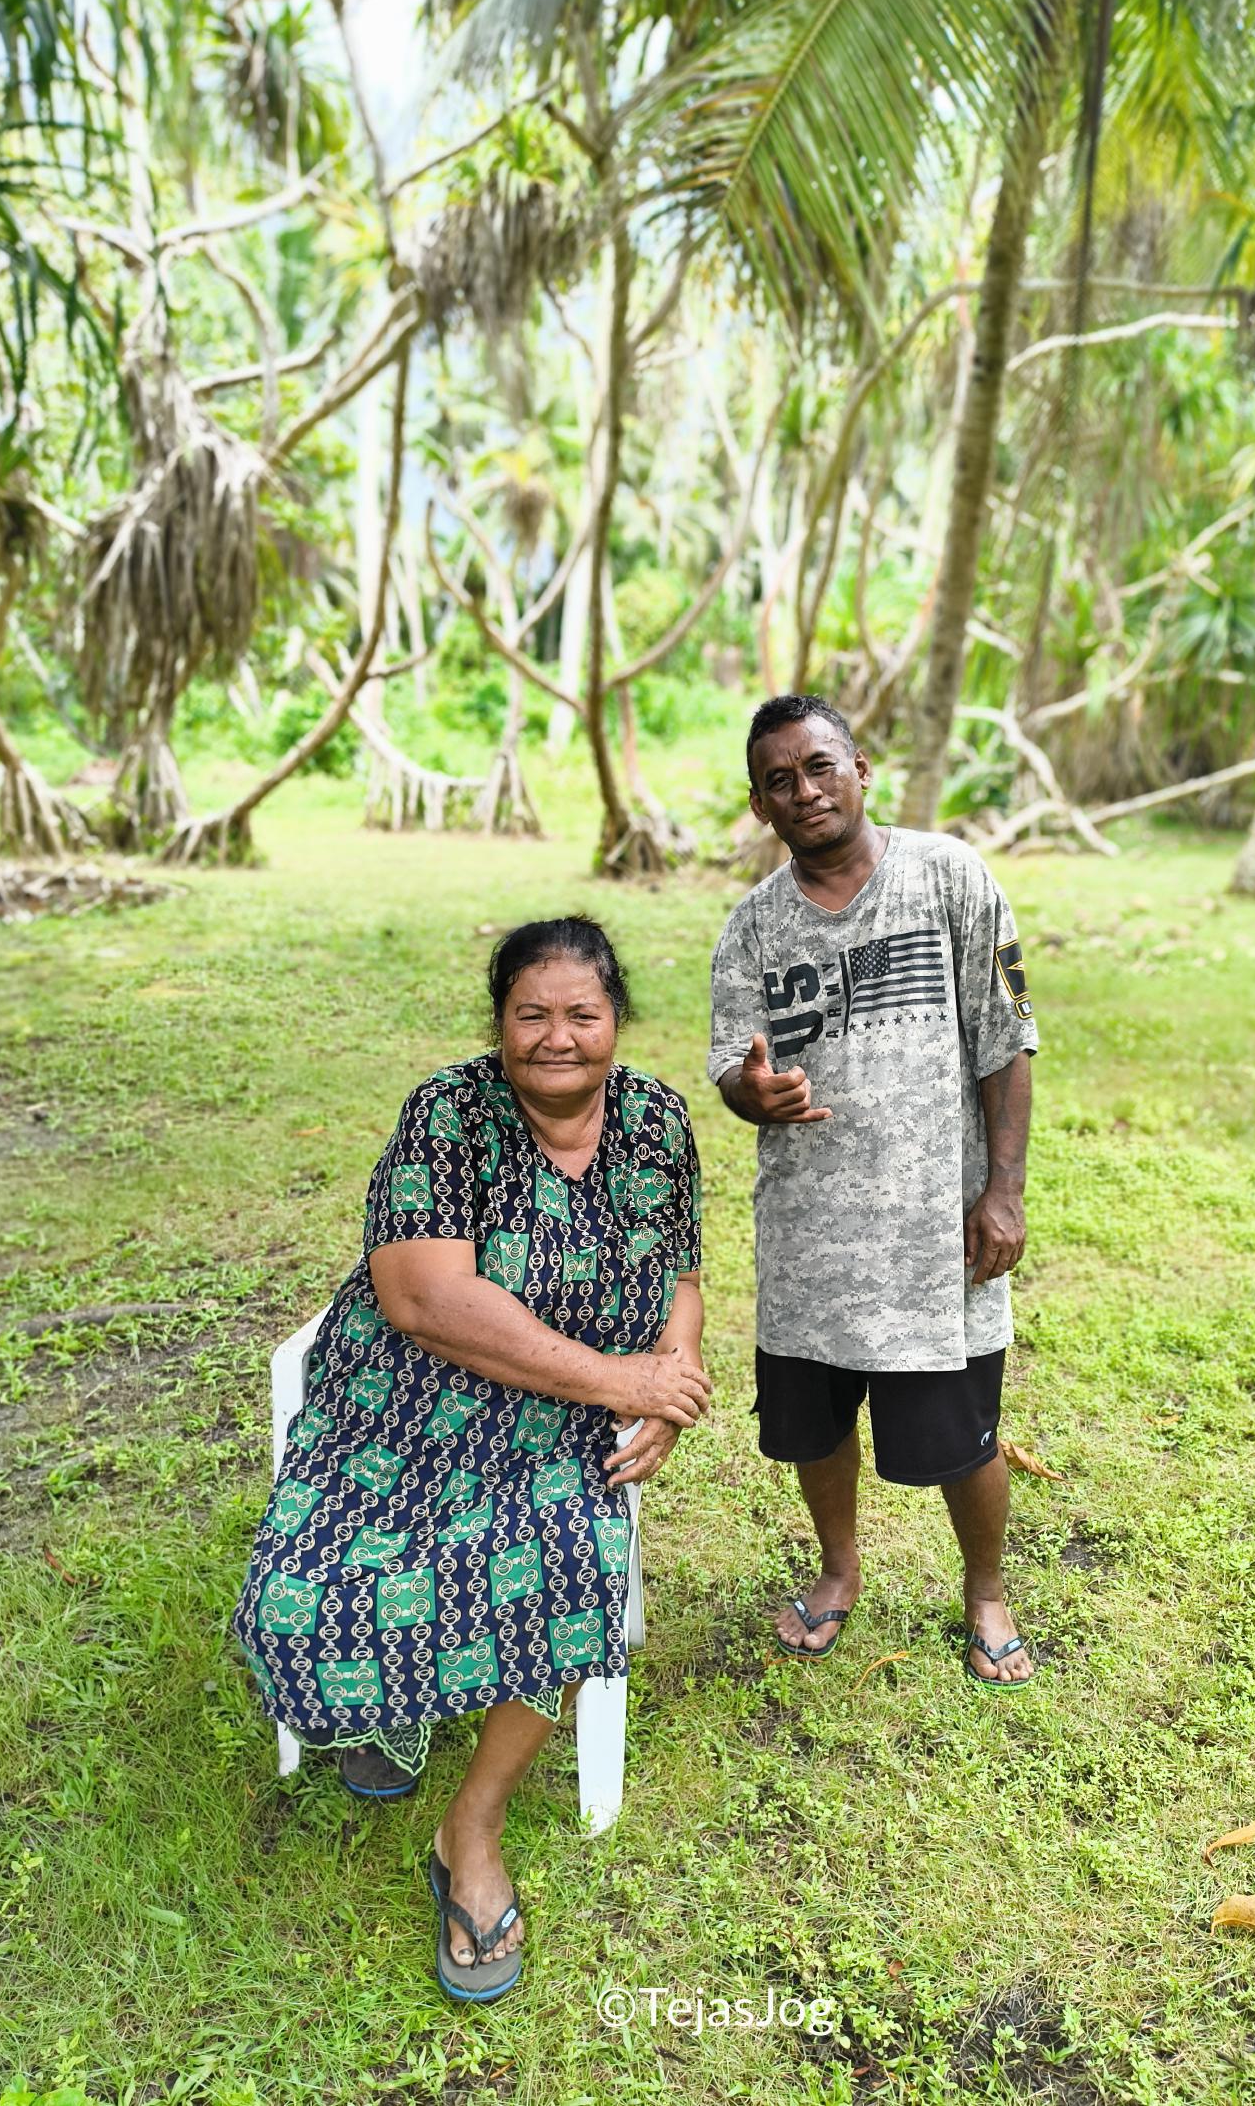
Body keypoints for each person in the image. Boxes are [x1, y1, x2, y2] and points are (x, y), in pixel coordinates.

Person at [234, 917, 709, 2002]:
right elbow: (422, 1298)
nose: (556, 1037)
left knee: (564, 1553)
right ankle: (394, 1697)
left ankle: (472, 1828)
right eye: (530, 1013)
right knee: (298, 1596)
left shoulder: (657, 1119)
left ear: (617, 1019)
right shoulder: (449, 1113)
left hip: (565, 1411)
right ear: (499, 1022)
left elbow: (680, 1275)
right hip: (407, 1394)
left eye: (581, 1014)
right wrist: (622, 1377)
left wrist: (671, 1378)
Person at [707, 695, 1039, 1687]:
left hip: (935, 1236)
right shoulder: (751, 929)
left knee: (964, 1434)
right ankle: (839, 1569)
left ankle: (986, 1590)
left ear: (860, 770)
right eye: (778, 780)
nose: (803, 791)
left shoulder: (949, 877)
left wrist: (1003, 1191)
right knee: (815, 1428)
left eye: (819, 766)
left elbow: (1007, 1038)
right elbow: (730, 1065)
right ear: (760, 806)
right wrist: (752, 1093)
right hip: (809, 1239)